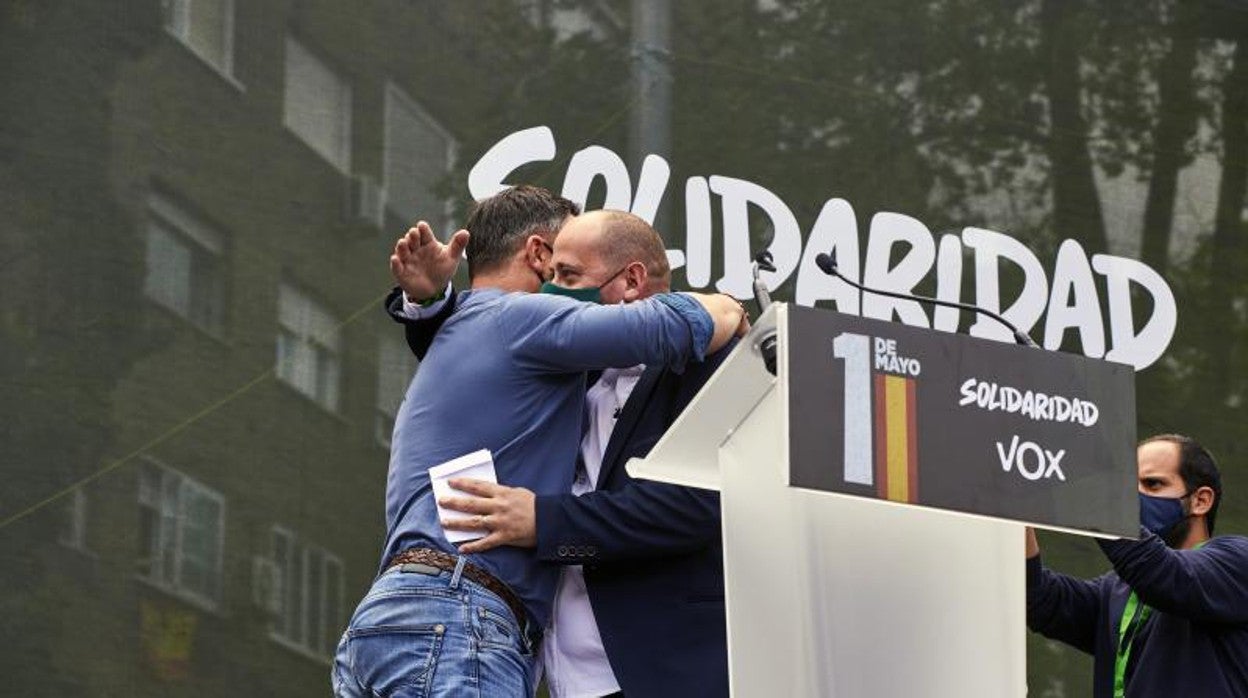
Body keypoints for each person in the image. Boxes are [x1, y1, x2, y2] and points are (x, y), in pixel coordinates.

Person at [331, 186, 747, 698]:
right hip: (458, 620)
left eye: (569, 278)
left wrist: (430, 303)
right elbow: (676, 324)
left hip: (396, 627)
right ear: (536, 255)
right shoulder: (521, 321)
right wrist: (722, 307)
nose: (556, 291)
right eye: (555, 275)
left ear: (633, 279)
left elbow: (694, 505)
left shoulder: (492, 338)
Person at [1026, 434, 1248, 698]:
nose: (1132, 497)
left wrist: (1090, 489)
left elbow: (1163, 574)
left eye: (1152, 484)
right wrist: (1012, 519)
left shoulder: (1237, 561)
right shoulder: (1117, 589)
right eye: (1126, 487)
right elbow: (1041, 600)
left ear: (1200, 500)